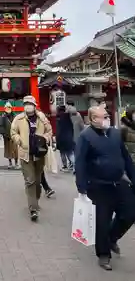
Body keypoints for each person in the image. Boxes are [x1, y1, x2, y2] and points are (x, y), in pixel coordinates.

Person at [75, 105, 135, 271]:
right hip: (99, 185)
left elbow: (126, 157)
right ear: (94, 119)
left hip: (119, 181)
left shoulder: (115, 133)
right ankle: (103, 255)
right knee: (102, 221)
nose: (107, 118)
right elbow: (79, 162)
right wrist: (81, 187)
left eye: (107, 116)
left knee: (130, 213)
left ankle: (112, 237)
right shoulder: (85, 137)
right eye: (103, 116)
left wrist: (133, 177)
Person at [11, 95, 52, 221]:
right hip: (25, 154)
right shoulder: (19, 119)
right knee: (30, 181)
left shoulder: (42, 117)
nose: (28, 106)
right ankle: (33, 209)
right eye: (26, 103)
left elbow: (49, 130)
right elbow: (13, 132)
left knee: (38, 181)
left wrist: (45, 138)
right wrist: (19, 140)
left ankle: (35, 200)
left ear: (35, 105)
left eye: (30, 103)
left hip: (39, 154)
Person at [0, 102, 20, 169]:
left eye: (9, 107)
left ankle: (16, 163)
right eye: (7, 107)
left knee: (15, 150)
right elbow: (1, 127)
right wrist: (4, 134)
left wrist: (17, 134)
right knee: (8, 150)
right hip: (6, 137)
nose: (8, 109)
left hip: (14, 136)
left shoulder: (15, 116)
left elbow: (18, 125)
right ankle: (10, 163)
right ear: (5, 108)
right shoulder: (3, 116)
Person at [56, 105, 75, 172]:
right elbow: (72, 127)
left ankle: (65, 166)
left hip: (61, 138)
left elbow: (58, 130)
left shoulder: (58, 117)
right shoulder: (69, 117)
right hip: (69, 137)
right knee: (70, 153)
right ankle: (74, 164)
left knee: (62, 153)